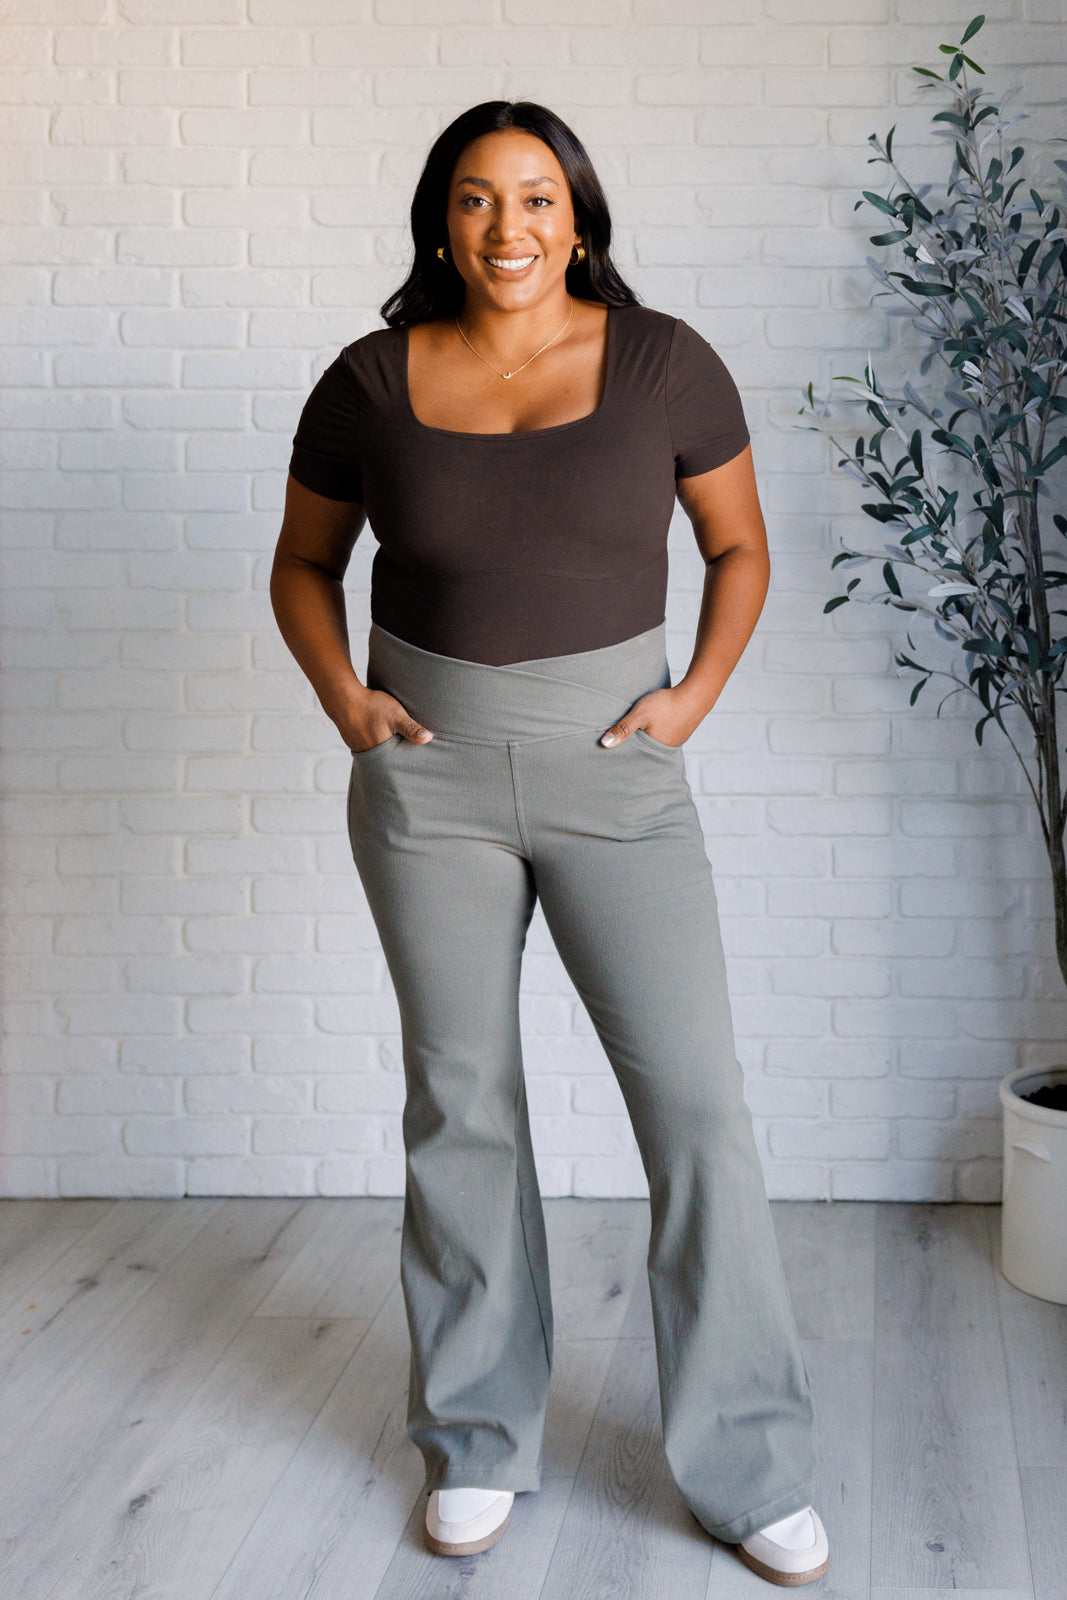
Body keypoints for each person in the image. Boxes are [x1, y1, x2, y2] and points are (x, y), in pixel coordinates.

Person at [270, 99, 829, 1588]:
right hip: (427, 782)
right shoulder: (368, 380)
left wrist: (692, 698)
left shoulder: (664, 363)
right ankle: (475, 1437)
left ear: (578, 218)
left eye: (534, 197)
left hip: (615, 775)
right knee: (461, 1105)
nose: (506, 226)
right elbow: (304, 565)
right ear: (439, 223)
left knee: (698, 1109)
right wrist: (347, 705)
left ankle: (751, 1463)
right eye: (474, 198)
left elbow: (740, 546)